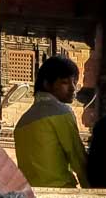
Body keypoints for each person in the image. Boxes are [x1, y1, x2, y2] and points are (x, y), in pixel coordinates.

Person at [14, 55, 87, 188]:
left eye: (74, 82)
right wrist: (94, 192)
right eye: (65, 82)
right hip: (61, 194)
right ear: (47, 84)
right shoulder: (61, 112)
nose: (72, 88)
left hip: (32, 197)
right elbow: (78, 159)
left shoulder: (21, 123)